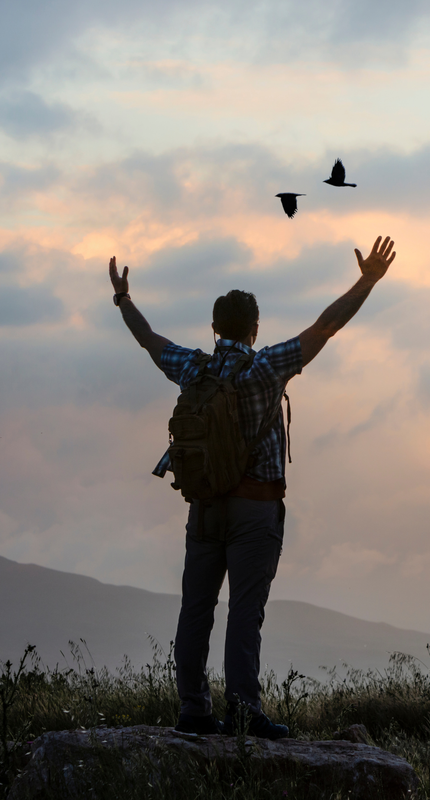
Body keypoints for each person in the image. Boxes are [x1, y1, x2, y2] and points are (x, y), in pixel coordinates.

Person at [108, 236, 396, 737]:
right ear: (256, 329)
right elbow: (326, 326)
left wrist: (123, 298)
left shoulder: (193, 367)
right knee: (245, 611)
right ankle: (244, 712)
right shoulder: (267, 368)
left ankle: (193, 711)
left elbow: (149, 340)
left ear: (214, 328)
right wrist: (367, 280)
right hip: (254, 512)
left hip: (203, 509)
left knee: (195, 608)